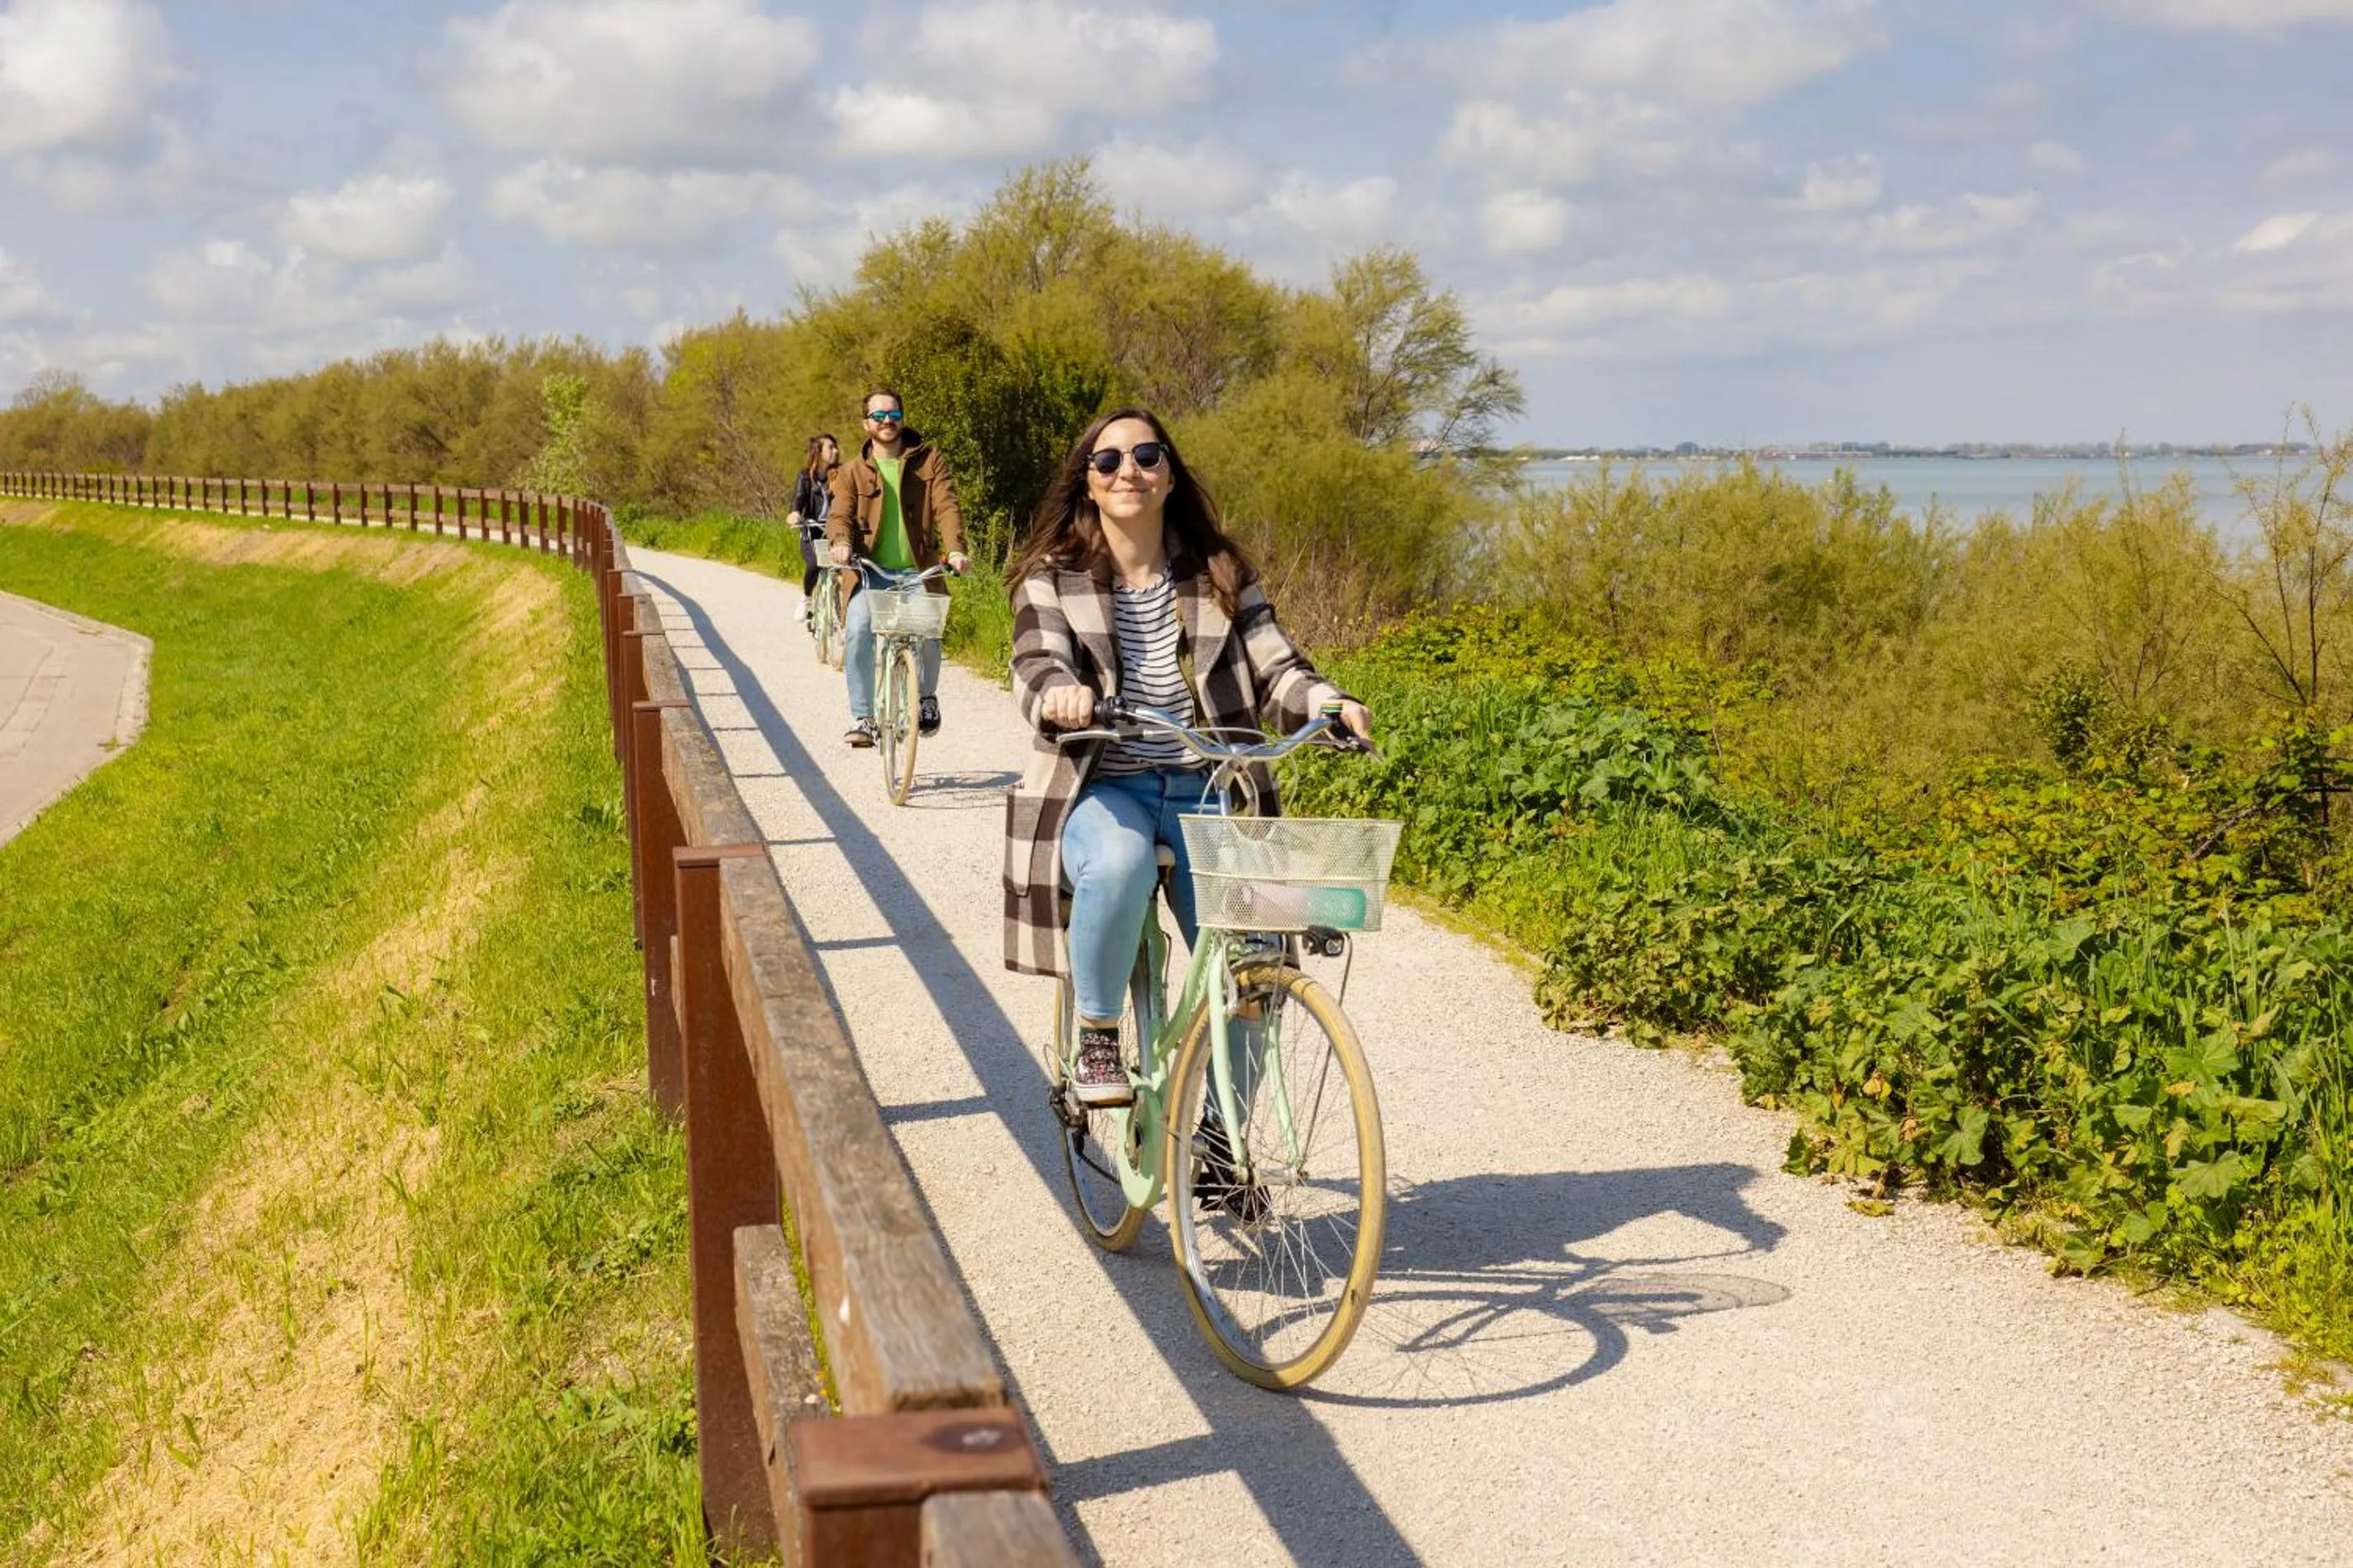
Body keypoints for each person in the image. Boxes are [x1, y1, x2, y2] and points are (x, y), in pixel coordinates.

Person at [1001, 408, 1372, 1103]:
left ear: (1169, 473)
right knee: (1118, 862)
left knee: (1252, 963)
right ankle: (1100, 1031)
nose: (1128, 472)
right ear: (1086, 482)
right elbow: (1034, 663)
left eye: (1145, 455)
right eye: (1107, 461)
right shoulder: (1051, 578)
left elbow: (1276, 667)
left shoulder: (1220, 574)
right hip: (1103, 787)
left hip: (1210, 788)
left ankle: (1222, 1144)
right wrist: (1062, 695)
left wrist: (1326, 703)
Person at [828, 389, 969, 746]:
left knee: (929, 632)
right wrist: (841, 543)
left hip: (917, 570)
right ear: (866, 424)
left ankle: (926, 698)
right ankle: (864, 718)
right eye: (878, 416)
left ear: (902, 416)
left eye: (892, 414)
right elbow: (840, 514)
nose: (886, 421)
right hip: (869, 571)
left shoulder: (928, 461)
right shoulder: (851, 472)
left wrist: (955, 550)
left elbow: (947, 506)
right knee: (859, 628)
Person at [787, 433, 838, 628]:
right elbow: (797, 501)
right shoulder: (805, 477)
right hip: (812, 532)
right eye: (830, 447)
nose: (836, 451)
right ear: (819, 452)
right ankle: (807, 598)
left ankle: (841, 611)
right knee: (815, 563)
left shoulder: (840, 474)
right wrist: (795, 515)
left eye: (836, 447)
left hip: (834, 532)